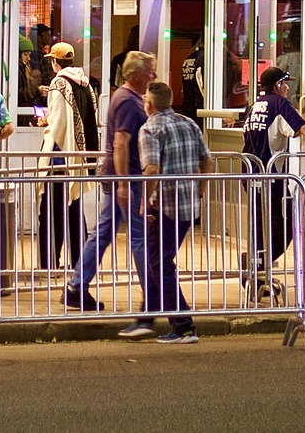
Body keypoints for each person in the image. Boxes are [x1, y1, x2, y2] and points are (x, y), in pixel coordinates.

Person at [70, 50, 156, 331]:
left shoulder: (125, 98)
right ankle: (153, 297)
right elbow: (121, 143)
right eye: (149, 71)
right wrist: (123, 183)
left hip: (119, 178)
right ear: (135, 74)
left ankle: (76, 286)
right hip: (127, 180)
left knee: (104, 232)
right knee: (140, 237)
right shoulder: (129, 103)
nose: (153, 76)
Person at [239, 65, 305, 298]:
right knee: (285, 228)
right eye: (285, 83)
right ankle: (255, 261)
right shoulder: (279, 104)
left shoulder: (254, 106)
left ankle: (257, 273)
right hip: (271, 177)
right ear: (277, 85)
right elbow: (301, 127)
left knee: (260, 226)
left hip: (250, 175)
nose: (287, 88)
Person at [138, 80, 210, 344]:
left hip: (165, 206)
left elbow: (152, 170)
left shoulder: (150, 129)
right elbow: (207, 160)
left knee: (160, 262)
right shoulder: (188, 123)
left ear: (149, 104)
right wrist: (200, 190)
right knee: (160, 260)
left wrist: (145, 202)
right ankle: (150, 313)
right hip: (189, 204)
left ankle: (182, 324)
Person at [39, 41, 98, 272]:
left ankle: (49, 262)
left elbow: (58, 124)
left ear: (55, 62)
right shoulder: (85, 83)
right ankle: (79, 262)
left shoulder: (59, 83)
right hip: (78, 156)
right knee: (74, 209)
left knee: (51, 212)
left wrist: (46, 121)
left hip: (59, 157)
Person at [175, 33, 206, 122]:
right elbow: (201, 85)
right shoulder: (204, 57)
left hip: (188, 106)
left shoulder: (189, 58)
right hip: (200, 109)